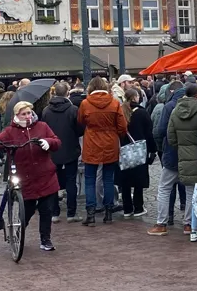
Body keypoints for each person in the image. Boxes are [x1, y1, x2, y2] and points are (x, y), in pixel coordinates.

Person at [0, 101, 61, 252]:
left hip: (45, 176)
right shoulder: (10, 131)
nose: (28, 116)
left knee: (46, 209)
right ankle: (18, 231)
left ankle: (45, 239)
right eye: (24, 114)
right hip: (25, 176)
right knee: (26, 209)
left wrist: (48, 142)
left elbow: (56, 141)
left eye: (29, 113)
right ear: (16, 115)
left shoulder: (42, 126)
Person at [77, 76, 128, 225]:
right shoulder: (114, 103)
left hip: (91, 142)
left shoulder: (85, 104)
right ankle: (108, 212)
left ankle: (91, 213)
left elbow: (80, 121)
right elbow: (122, 126)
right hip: (110, 142)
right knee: (108, 178)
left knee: (90, 179)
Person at [167, 82, 197, 239]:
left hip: (183, 154)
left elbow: (171, 137)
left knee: (190, 189)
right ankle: (191, 223)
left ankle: (188, 222)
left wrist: (182, 145)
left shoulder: (175, 111)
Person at [148, 79, 188, 236]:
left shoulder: (169, 106)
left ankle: (162, 222)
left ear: (171, 92)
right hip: (190, 155)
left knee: (165, 188)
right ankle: (189, 224)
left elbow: (160, 130)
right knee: (190, 189)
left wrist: (165, 146)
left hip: (171, 153)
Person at [41, 82, 83, 222]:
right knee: (71, 181)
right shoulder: (73, 110)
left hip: (52, 150)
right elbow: (80, 129)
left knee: (53, 180)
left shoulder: (46, 110)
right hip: (70, 148)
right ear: (67, 92)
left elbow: (43, 130)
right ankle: (71, 213)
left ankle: (55, 213)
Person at [117, 86, 156, 218]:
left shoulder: (120, 111)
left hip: (123, 150)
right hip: (139, 149)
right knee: (138, 180)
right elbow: (149, 133)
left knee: (125, 180)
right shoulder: (141, 113)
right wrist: (152, 150)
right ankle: (138, 207)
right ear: (135, 97)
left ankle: (127, 209)